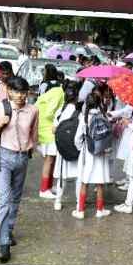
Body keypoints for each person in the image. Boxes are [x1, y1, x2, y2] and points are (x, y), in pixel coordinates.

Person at [0, 76, 39, 263]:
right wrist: (0, 124)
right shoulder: (1, 107)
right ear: (9, 91)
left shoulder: (33, 110)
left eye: (23, 92)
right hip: (4, 157)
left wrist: (30, 148)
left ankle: (8, 229)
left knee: (15, 198)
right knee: (5, 199)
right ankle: (3, 244)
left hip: (22, 157)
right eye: (16, 91)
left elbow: (34, 134)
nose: (20, 95)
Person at [74, 91, 113, 219]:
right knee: (99, 183)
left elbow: (78, 138)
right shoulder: (103, 117)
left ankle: (80, 210)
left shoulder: (83, 118)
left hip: (87, 153)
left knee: (84, 182)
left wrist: (81, 148)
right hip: (100, 154)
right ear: (99, 103)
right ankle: (100, 210)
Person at [51, 81, 82, 213]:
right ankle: (78, 203)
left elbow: (53, 130)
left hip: (62, 150)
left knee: (61, 178)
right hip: (76, 150)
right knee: (78, 177)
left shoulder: (60, 111)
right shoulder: (79, 114)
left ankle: (58, 201)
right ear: (77, 98)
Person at [35, 79, 65, 199]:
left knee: (52, 160)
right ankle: (43, 189)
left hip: (45, 129)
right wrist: (59, 119)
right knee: (49, 160)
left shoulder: (54, 91)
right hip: (48, 130)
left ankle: (49, 186)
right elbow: (49, 113)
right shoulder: (60, 93)